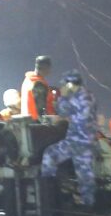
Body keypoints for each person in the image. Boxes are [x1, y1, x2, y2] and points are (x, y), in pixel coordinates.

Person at [41, 70, 99, 206]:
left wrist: (63, 97)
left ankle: (49, 195)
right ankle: (87, 203)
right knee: (85, 174)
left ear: (70, 84)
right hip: (85, 140)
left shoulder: (77, 97)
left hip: (77, 141)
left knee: (50, 155)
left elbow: (62, 111)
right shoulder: (88, 95)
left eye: (65, 84)